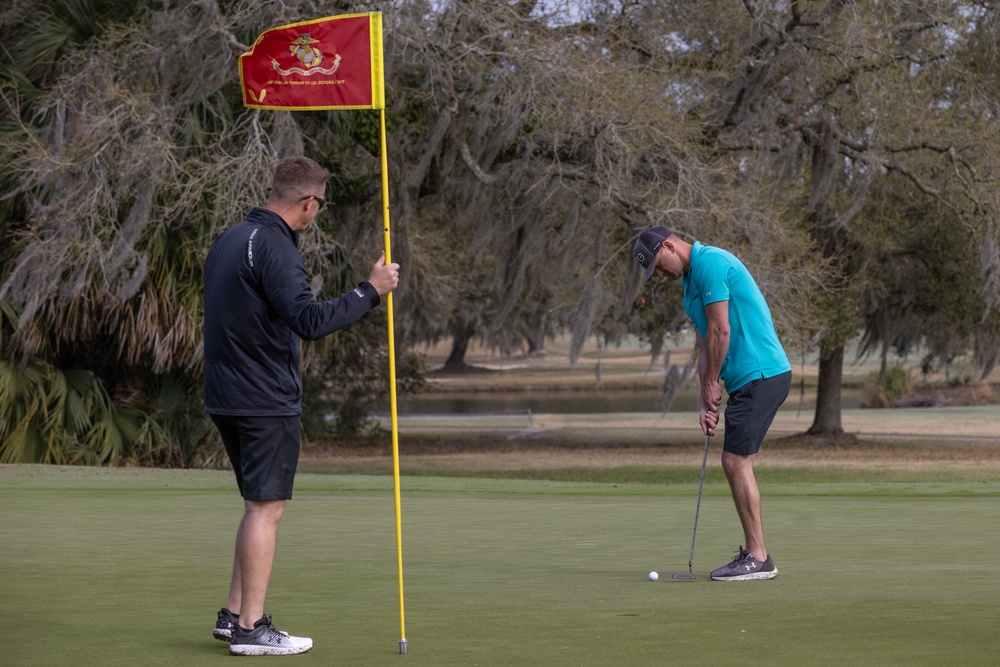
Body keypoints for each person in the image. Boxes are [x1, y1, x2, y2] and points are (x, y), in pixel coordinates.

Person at [203, 156, 400, 655]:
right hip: (264, 397)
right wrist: (369, 291)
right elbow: (308, 321)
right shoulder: (276, 247)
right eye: (319, 206)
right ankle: (251, 628)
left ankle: (232, 616)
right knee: (267, 508)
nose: (317, 213)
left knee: (256, 506)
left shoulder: (230, 239)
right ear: (308, 202)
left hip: (227, 393)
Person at [633, 226, 791, 581]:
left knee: (736, 461)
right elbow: (706, 346)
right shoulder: (690, 288)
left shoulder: (711, 264)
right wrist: (706, 399)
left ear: (669, 246)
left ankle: (759, 557)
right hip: (747, 380)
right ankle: (757, 555)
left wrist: (711, 384)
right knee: (735, 460)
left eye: (658, 266)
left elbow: (722, 331)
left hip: (763, 374)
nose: (659, 275)